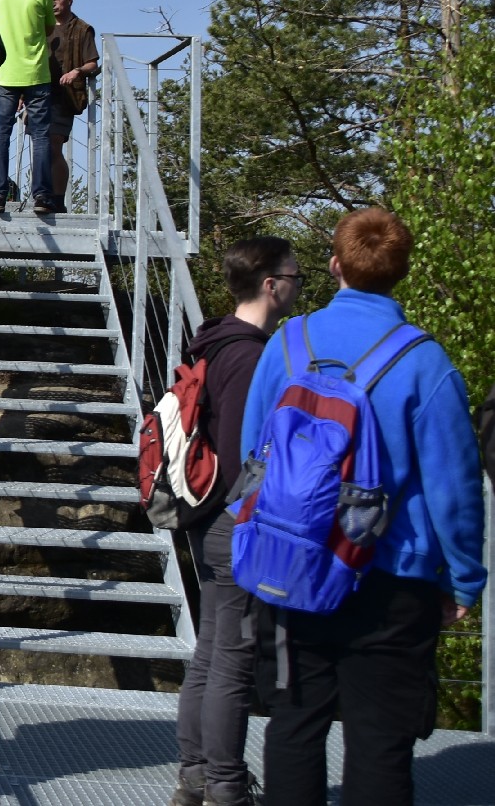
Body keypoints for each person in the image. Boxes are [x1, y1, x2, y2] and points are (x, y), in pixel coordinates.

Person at [235, 208, 486, 806]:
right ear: (402, 272)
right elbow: (455, 488)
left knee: (294, 724)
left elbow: (254, 454)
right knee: (382, 741)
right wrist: (465, 582)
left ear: (335, 265)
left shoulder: (287, 346)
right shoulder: (425, 362)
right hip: (392, 578)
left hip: (293, 564)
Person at [171, 236, 300, 806]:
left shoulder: (213, 344)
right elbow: (242, 454)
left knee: (210, 650)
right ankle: (224, 787)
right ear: (270, 284)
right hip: (232, 520)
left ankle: (196, 776)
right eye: (295, 275)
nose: (300, 284)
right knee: (232, 659)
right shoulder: (251, 356)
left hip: (204, 519)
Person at [0, 0, 57, 217]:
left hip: (3, 71)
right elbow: (49, 28)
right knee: (40, 135)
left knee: (0, 134)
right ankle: (42, 196)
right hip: (36, 72)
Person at [46, 0, 98, 213]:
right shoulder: (42, 26)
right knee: (41, 146)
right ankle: (43, 195)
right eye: (51, 0)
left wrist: (77, 71)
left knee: (53, 144)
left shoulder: (82, 29)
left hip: (65, 96)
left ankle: (57, 199)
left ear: (69, 0)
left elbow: (92, 62)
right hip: (40, 93)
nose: (54, 4)